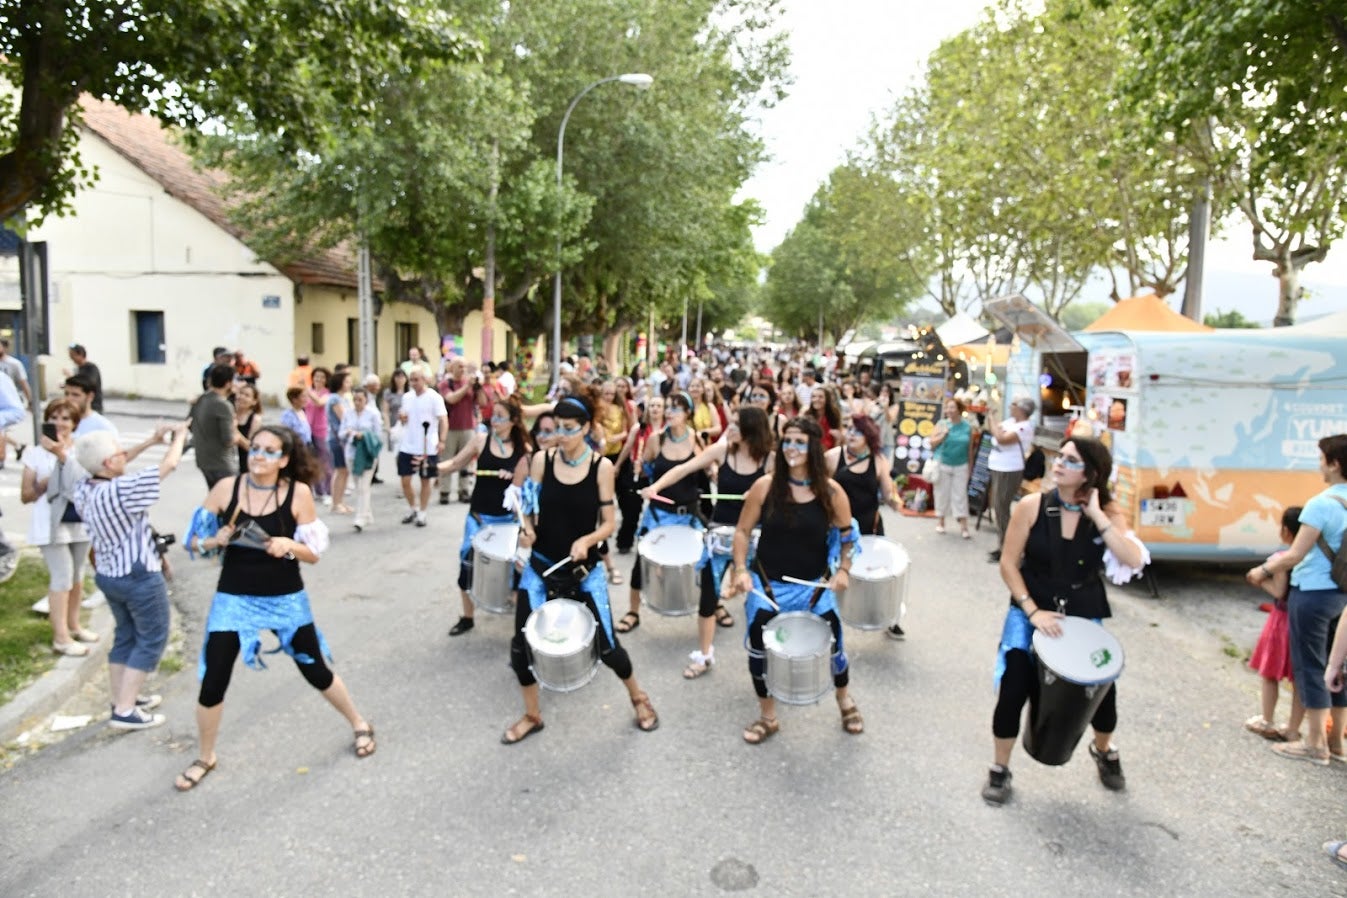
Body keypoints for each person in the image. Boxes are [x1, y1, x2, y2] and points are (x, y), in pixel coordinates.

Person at [176, 425, 375, 790]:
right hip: (233, 599)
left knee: (316, 670)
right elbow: (192, 543)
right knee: (213, 679)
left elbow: (313, 554)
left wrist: (288, 544)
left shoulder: (298, 494)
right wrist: (212, 540)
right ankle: (205, 756)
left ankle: (360, 723)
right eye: (255, 448)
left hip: (284, 598)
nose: (258, 456)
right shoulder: (227, 489)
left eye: (269, 451)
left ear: (284, 460)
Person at [982, 436, 1146, 805]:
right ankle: (999, 768)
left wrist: (1098, 516)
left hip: (1083, 614)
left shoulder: (1107, 511)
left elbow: (1133, 559)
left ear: (1091, 473)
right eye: (1060, 457)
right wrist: (1032, 610)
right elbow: (1008, 563)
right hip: (1031, 612)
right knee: (1013, 689)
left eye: (1070, 461)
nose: (1057, 464)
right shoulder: (1031, 505)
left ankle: (1104, 751)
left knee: (1101, 695)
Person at [504, 396, 658, 743]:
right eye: (556, 428)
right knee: (520, 647)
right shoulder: (542, 461)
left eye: (569, 429)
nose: (560, 435)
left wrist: (588, 540)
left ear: (586, 428)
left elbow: (608, 524)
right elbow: (528, 508)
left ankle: (639, 698)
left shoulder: (601, 467)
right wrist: (526, 529)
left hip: (584, 572)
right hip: (541, 568)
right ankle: (532, 714)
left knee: (607, 647)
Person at [725, 416, 861, 743]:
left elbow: (848, 537)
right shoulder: (765, 486)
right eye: (787, 441)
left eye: (800, 442)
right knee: (758, 649)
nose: (792, 448)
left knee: (834, 648)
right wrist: (741, 570)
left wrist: (844, 569)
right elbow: (742, 532)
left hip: (813, 589)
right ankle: (768, 716)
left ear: (814, 447)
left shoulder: (831, 492)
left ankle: (845, 700)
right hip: (767, 586)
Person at [73, 421, 189, 730]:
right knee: (152, 637)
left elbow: (116, 463)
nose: (126, 454)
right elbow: (170, 464)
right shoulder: (121, 491)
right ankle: (125, 710)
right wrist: (179, 437)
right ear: (110, 463)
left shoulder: (85, 488)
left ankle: (121, 698)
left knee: (125, 636)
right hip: (138, 576)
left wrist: (151, 440)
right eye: (120, 453)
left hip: (110, 574)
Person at [643, 406, 774, 678]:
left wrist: (765, 486)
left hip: (757, 537)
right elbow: (683, 468)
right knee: (707, 598)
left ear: (752, 429)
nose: (731, 429)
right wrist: (656, 487)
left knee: (766, 600)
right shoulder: (723, 450)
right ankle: (704, 655)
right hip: (719, 535)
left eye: (737, 425)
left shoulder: (770, 460)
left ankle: (773, 655)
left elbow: (788, 483)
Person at [1250, 433, 1347, 765]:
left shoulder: (1321, 504)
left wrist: (1263, 569)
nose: (1319, 463)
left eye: (1322, 458)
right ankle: (1336, 742)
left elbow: (1295, 555)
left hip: (1314, 594)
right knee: (1339, 667)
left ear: (1334, 463)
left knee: (1311, 666)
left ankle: (1315, 744)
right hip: (1342, 595)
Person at [437, 396, 531, 636]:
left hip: (508, 523)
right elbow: (455, 463)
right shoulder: (481, 440)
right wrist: (431, 466)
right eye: (493, 416)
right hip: (478, 518)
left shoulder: (524, 450)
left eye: (501, 416)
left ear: (514, 421)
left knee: (514, 571)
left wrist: (516, 479)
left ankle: (517, 619)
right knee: (466, 565)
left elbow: (530, 485)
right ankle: (467, 617)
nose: (495, 421)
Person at [616, 391, 703, 633]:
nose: (669, 412)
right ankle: (633, 611)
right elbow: (645, 470)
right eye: (668, 408)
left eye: (676, 408)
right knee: (640, 563)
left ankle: (712, 606)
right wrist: (642, 470)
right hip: (659, 513)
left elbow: (705, 467)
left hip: (689, 513)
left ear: (688, 413)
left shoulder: (695, 438)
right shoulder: (656, 439)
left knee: (705, 563)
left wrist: (714, 471)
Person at [22, 399, 96, 655]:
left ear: (75, 423)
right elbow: (25, 495)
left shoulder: (82, 450)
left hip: (79, 520)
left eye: (65, 418)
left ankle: (74, 625)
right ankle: (60, 637)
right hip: (50, 525)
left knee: (77, 577)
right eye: (53, 418)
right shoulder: (35, 453)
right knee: (62, 577)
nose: (59, 424)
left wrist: (62, 456)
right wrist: (44, 484)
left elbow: (90, 481)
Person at [1244, 507, 1305, 741]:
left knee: (1270, 672)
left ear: (1286, 531)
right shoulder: (1310, 557)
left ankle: (1267, 720)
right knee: (1299, 676)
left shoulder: (1280, 560)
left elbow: (1279, 591)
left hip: (1281, 621)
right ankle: (1293, 728)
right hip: (1301, 620)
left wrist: (1260, 582)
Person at [986, 398, 1037, 563]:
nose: (1010, 406)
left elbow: (1001, 438)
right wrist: (995, 426)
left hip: (1010, 468)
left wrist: (992, 420)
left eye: (1013, 404)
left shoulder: (1024, 427)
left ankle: (1009, 548)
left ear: (1021, 409)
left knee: (1001, 506)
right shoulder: (1010, 422)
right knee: (998, 506)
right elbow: (997, 432)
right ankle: (1003, 544)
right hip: (999, 466)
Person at [396, 368, 448, 527]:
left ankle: (423, 513)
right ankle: (413, 508)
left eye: (416, 379)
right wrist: (402, 418)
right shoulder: (407, 397)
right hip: (408, 444)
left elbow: (443, 419)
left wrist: (442, 440)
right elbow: (404, 417)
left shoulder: (434, 397)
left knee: (426, 480)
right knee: (405, 480)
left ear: (424, 380)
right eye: (411, 380)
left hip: (427, 446)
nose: (413, 383)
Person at [190, 364, 248, 488]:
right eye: (235, 380)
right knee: (230, 500)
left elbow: (190, 425)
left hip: (203, 460)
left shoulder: (200, 399)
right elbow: (228, 440)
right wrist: (235, 429)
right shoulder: (223, 405)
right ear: (228, 383)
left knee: (215, 498)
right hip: (222, 463)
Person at [930, 397, 976, 539]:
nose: (949, 410)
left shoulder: (967, 427)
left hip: (961, 464)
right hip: (943, 463)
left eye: (952, 407)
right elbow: (932, 444)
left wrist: (970, 467)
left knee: (960, 495)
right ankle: (941, 521)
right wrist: (943, 435)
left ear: (959, 410)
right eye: (947, 407)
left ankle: (963, 526)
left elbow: (970, 450)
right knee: (941, 493)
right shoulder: (941, 424)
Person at [340, 388, 383, 532]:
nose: (357, 402)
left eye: (360, 399)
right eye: (355, 399)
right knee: (358, 484)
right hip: (351, 453)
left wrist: (364, 435)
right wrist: (351, 434)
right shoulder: (348, 413)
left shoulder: (373, 414)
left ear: (366, 400)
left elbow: (378, 436)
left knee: (363, 486)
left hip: (367, 454)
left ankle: (360, 517)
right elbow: (341, 433)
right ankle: (368, 514)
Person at [439, 358, 477, 504]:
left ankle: (464, 490)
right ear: (452, 368)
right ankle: (444, 491)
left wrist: (476, 387)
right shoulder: (445, 384)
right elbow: (452, 399)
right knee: (447, 460)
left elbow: (480, 402)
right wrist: (467, 386)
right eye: (460, 366)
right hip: (450, 428)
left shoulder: (470, 384)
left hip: (468, 427)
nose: (462, 369)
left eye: (464, 366)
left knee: (466, 461)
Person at [325, 371, 355, 514]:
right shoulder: (335, 399)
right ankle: (335, 503)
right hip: (337, 439)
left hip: (343, 439)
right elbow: (344, 419)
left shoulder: (343, 398)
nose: (350, 384)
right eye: (347, 381)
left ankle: (340, 501)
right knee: (340, 470)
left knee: (345, 471)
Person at [305, 367, 332, 502]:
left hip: (322, 431)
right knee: (312, 462)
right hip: (308, 430)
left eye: (322, 377)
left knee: (325, 462)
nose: (319, 379)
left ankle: (329, 490)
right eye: (316, 376)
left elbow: (319, 403)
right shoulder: (310, 392)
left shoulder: (327, 393)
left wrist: (308, 391)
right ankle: (318, 491)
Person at [233, 382, 263, 475]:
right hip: (226, 462)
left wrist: (234, 430)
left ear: (254, 401)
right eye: (241, 393)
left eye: (247, 395)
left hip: (244, 465)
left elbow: (251, 447)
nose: (242, 397)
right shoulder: (229, 413)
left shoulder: (255, 419)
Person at [65, 343, 102, 412]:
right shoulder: (79, 369)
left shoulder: (91, 368)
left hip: (92, 406)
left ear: (81, 354)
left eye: (72, 355)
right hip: (80, 406)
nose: (71, 358)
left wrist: (71, 377)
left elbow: (88, 384)